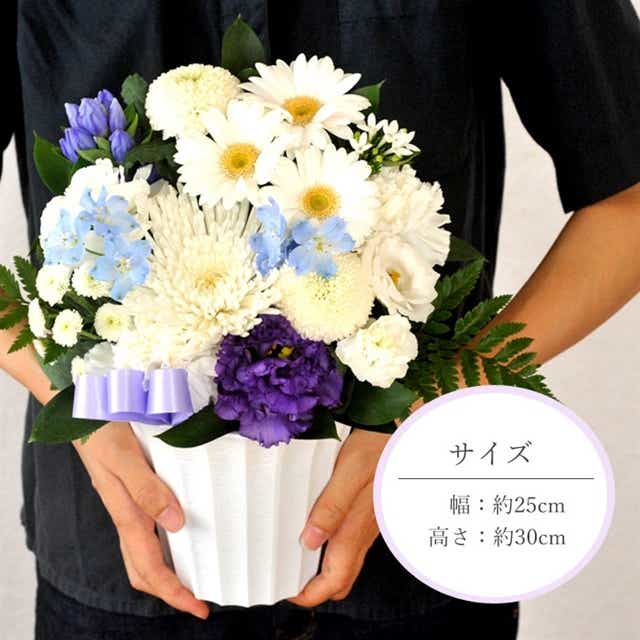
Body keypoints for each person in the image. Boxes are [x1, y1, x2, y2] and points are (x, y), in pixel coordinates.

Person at [2, 1, 640, 638]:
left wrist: (430, 404)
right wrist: (79, 406)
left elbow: (628, 199)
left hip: (413, 549)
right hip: (115, 553)